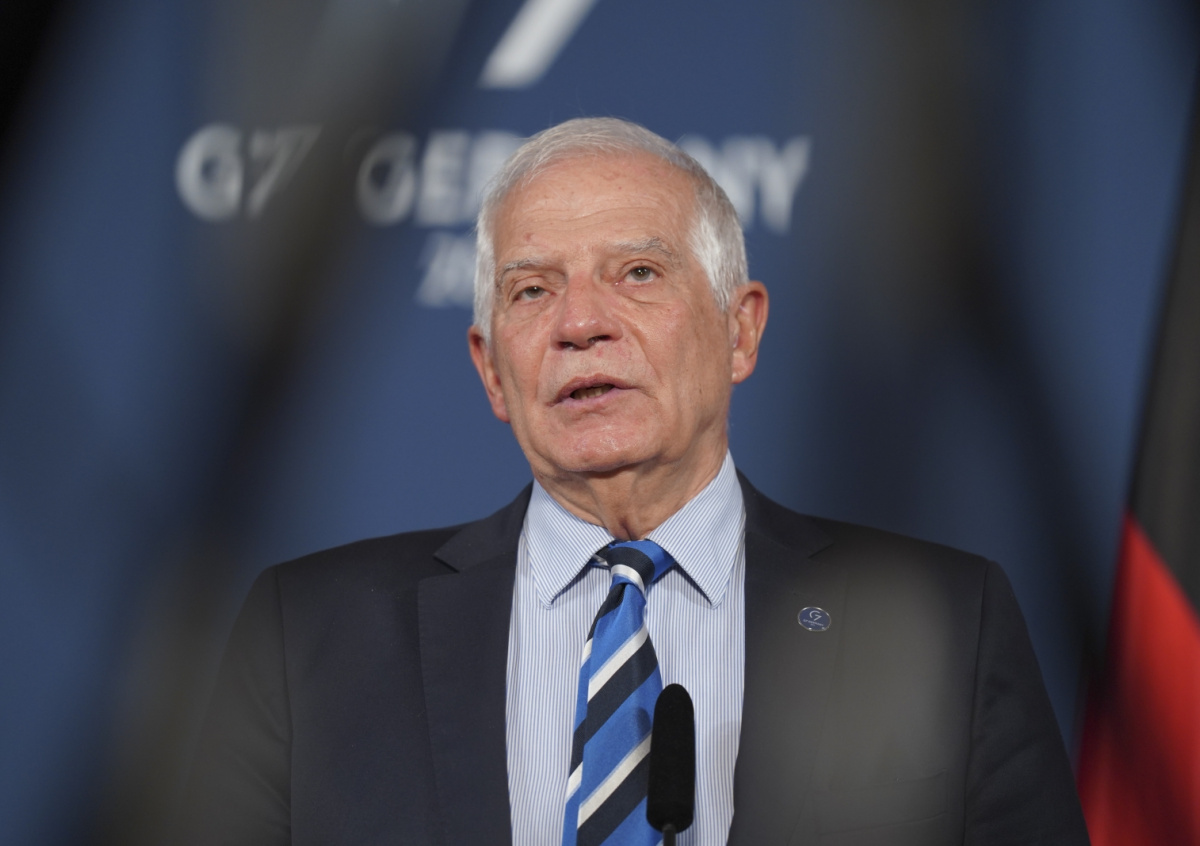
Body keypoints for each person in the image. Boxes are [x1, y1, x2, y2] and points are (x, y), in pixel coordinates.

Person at [176, 118, 1089, 845]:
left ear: (740, 331)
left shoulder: (948, 620)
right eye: (533, 290)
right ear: (492, 370)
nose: (580, 323)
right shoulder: (310, 636)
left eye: (638, 273)